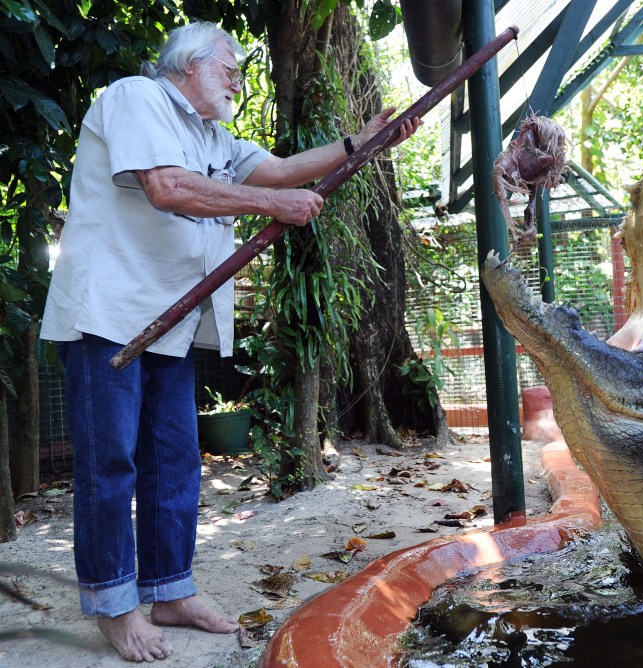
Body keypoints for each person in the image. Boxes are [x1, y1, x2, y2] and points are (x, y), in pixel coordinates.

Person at [39, 21, 419, 663]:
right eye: (229, 68)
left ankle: (169, 590)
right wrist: (272, 207)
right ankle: (114, 605)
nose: (238, 80)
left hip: (170, 322)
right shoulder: (137, 97)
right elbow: (169, 188)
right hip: (108, 315)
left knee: (175, 459)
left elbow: (279, 170)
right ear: (187, 67)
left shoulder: (211, 135)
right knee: (111, 463)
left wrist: (363, 142)